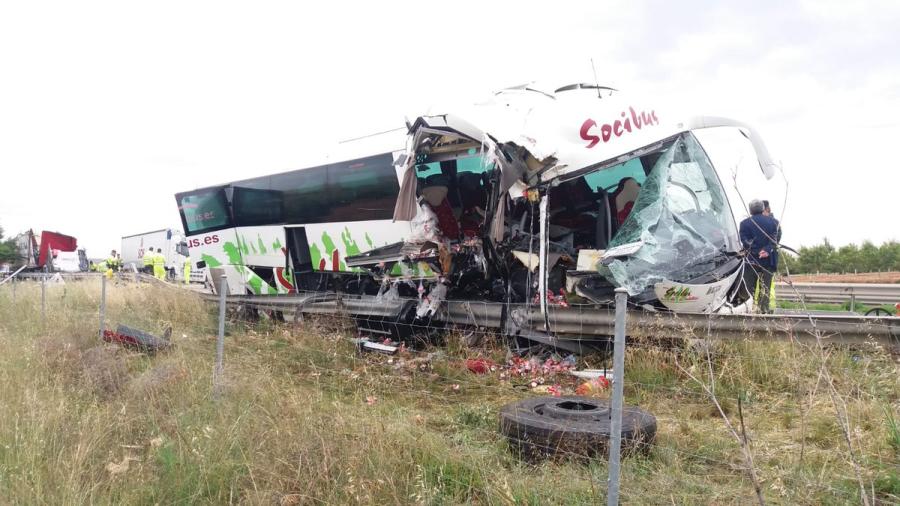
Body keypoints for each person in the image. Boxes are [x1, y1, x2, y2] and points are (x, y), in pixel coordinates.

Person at [740, 199, 781, 313]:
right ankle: (763, 312)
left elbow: (745, 241)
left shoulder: (744, 223)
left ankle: (749, 311)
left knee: (749, 289)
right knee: (765, 288)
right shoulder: (774, 222)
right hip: (769, 261)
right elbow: (775, 239)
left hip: (751, 260)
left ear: (750, 210)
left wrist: (756, 251)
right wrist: (767, 250)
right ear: (763, 209)